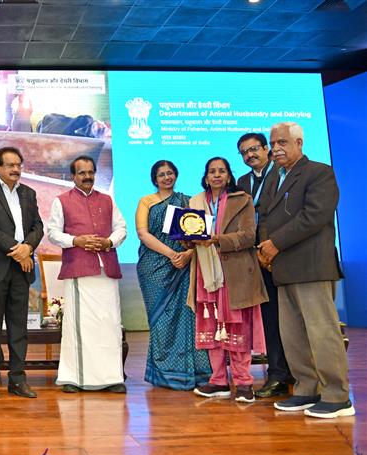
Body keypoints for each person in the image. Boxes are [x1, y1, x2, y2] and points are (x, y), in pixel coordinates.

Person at [258, 121, 353, 418]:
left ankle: (337, 396)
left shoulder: (319, 172)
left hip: (311, 266)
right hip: (283, 267)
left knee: (322, 331)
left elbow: (314, 217)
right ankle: (306, 389)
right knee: (294, 335)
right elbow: (265, 216)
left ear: (299, 143)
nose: (276, 149)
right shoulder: (274, 176)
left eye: (282, 143)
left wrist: (275, 244)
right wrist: (264, 247)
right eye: (273, 143)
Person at [188, 157, 267, 403]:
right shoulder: (195, 201)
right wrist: (186, 238)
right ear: (206, 176)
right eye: (212, 171)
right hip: (205, 273)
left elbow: (247, 236)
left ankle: (244, 383)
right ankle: (219, 381)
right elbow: (189, 235)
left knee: (236, 327)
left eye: (222, 171)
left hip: (236, 273)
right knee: (211, 327)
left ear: (229, 176)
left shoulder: (242, 200)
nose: (217, 175)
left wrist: (216, 239)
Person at [47, 156, 128, 393]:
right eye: (82, 173)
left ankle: (112, 378)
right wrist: (76, 240)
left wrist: (108, 242)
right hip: (79, 269)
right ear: (73, 176)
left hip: (106, 269)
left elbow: (121, 228)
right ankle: (75, 378)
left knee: (109, 323)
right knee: (79, 325)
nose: (87, 176)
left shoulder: (107, 200)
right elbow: (52, 233)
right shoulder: (61, 201)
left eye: (91, 172)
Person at [0, 146, 43, 400]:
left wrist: (28, 248)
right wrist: (18, 250)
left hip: (21, 269)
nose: (16, 169)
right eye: (10, 165)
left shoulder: (29, 193)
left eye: (19, 165)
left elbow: (38, 226)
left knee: (18, 326)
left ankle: (17, 379)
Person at [135, 160, 211, 391]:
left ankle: (194, 372)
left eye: (170, 173)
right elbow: (142, 233)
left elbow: (198, 235)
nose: (166, 177)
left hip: (185, 265)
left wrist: (188, 254)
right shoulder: (146, 201)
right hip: (154, 268)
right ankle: (163, 373)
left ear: (176, 176)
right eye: (161, 174)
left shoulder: (187, 201)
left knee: (188, 317)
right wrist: (171, 254)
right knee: (161, 320)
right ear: (154, 178)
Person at [235, 133, 293, 398]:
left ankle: (297, 371)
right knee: (271, 318)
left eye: (254, 149)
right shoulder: (243, 181)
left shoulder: (282, 172)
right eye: (244, 152)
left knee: (294, 316)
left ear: (266, 148)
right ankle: (278, 374)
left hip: (286, 252)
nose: (250, 155)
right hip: (256, 256)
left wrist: (273, 245)